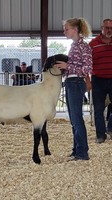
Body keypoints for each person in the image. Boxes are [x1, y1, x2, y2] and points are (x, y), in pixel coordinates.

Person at [57, 18, 92, 160]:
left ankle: (82, 152)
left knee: (77, 118)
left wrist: (68, 67)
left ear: (75, 29)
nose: (64, 31)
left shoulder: (84, 46)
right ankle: (77, 149)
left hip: (77, 82)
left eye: (67, 29)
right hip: (71, 82)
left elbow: (87, 68)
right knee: (74, 118)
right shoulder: (74, 46)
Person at [89, 18, 112, 143]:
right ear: (102, 28)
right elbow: (87, 63)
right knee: (98, 109)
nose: (109, 30)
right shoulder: (93, 44)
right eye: (107, 28)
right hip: (98, 80)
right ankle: (100, 135)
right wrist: (87, 80)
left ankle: (110, 128)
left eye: (111, 28)